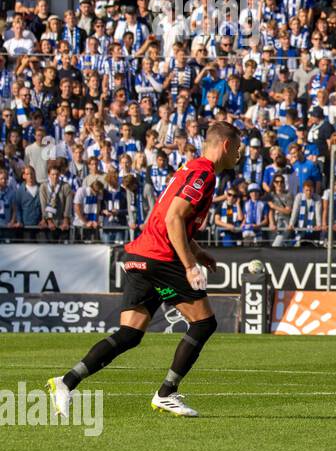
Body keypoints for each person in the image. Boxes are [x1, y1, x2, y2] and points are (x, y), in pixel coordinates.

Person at [46, 121, 243, 418]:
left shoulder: (190, 168)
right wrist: (189, 265)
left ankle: (66, 381)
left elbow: (171, 216)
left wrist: (199, 252)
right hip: (161, 257)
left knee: (129, 334)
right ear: (226, 146)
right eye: (238, 148)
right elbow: (173, 219)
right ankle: (166, 393)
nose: (239, 155)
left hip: (139, 256)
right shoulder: (204, 174)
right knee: (204, 323)